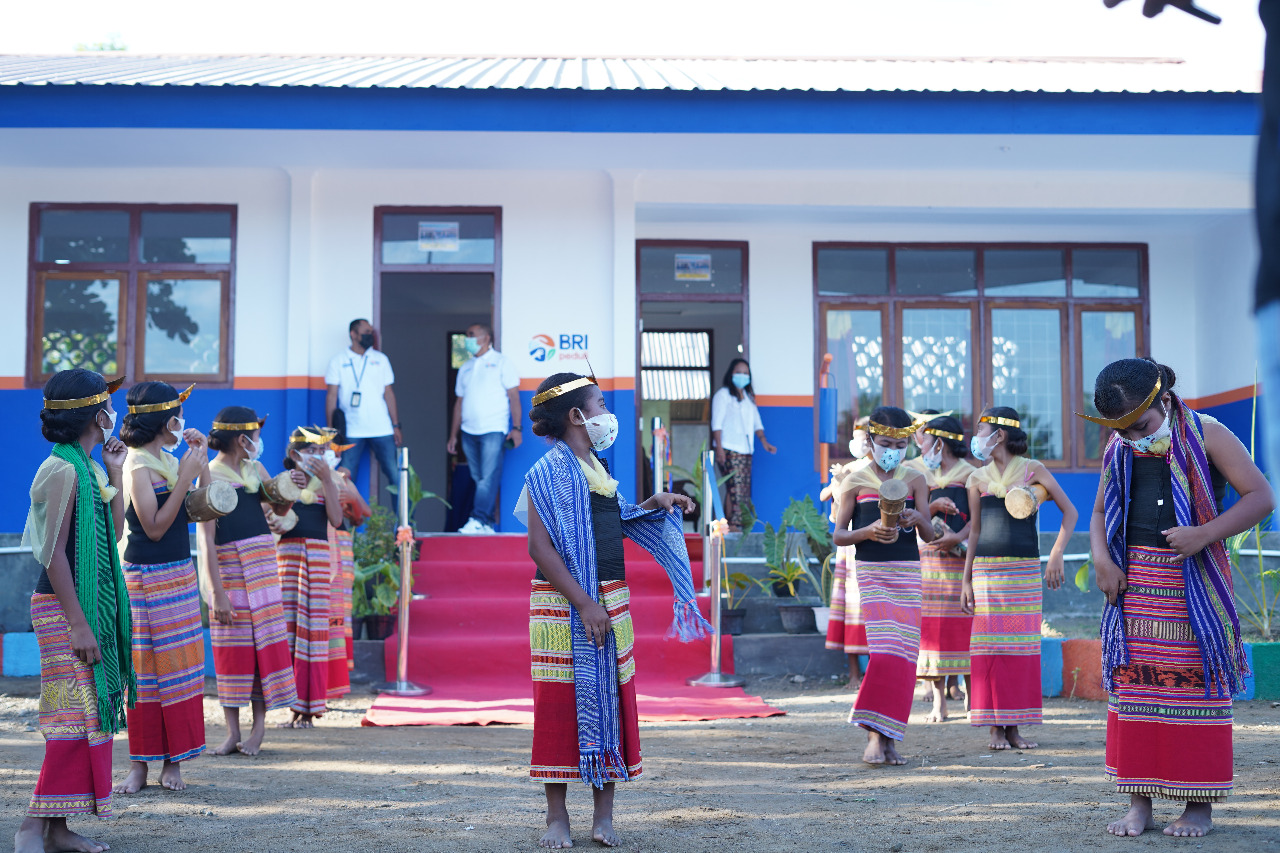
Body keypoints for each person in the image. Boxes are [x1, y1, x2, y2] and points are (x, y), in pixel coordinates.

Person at [516, 372, 710, 849]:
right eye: (601, 404)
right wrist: (584, 602)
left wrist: (653, 503)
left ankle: (604, 816)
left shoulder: (598, 468)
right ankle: (556, 816)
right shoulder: (545, 473)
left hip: (611, 599)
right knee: (558, 705)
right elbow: (540, 550)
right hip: (564, 605)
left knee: (613, 701)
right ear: (577, 416)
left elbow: (614, 521)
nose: (607, 413)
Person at [1085, 359, 1271, 839]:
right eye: (1122, 430)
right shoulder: (1119, 445)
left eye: (1139, 426)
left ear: (1163, 399)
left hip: (1195, 588)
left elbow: (1260, 496)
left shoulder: (1209, 434)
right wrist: (1103, 558)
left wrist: (1204, 534)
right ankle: (1138, 804)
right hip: (1134, 590)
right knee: (1136, 690)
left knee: (1195, 690)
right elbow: (1103, 508)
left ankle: (1197, 808)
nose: (1131, 437)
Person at [16, 369, 133, 853]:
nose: (114, 414)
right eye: (108, 405)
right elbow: (54, 553)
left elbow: (116, 530)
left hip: (85, 606)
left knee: (86, 721)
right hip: (65, 609)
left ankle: (59, 829)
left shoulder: (88, 467)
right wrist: (80, 623)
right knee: (70, 719)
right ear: (94, 414)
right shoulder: (62, 469)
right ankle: (29, 825)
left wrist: (118, 471)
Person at [961, 406, 1077, 750]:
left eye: (982, 431)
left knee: (1020, 649)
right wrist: (965, 580)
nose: (977, 438)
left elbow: (1070, 511)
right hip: (985, 571)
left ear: (1000, 435)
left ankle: (1013, 728)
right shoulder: (976, 478)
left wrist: (1055, 553)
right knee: (989, 649)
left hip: (1024, 571)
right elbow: (976, 530)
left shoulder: (1033, 470)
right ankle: (994, 728)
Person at [113, 382, 209, 795]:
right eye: (176, 416)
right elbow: (152, 528)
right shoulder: (138, 465)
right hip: (146, 578)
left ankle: (174, 761)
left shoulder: (168, 459)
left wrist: (199, 461)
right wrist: (186, 477)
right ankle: (139, 763)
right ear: (162, 420)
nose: (180, 423)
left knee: (179, 669)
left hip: (179, 574)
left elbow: (207, 503)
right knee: (144, 671)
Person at [832, 407, 935, 766]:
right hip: (873, 572)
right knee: (886, 651)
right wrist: (868, 531)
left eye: (900, 443)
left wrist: (920, 518)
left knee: (905, 658)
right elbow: (839, 535)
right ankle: (874, 736)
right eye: (886, 443)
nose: (893, 449)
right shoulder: (854, 479)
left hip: (907, 571)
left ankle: (889, 739)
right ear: (872, 442)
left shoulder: (916, 479)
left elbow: (931, 535)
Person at [199, 407, 299, 756]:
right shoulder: (209, 475)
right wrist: (216, 593)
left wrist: (290, 487)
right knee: (232, 651)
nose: (259, 441)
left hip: (262, 570)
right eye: (256, 435)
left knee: (263, 651)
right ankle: (231, 733)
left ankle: (258, 730)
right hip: (229, 572)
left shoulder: (255, 469)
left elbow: (279, 508)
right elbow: (206, 539)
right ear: (243, 439)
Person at [276, 426, 347, 728]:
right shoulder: (283, 480)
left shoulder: (330, 481)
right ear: (294, 455)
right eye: (311, 451)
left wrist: (328, 480)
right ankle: (292, 707)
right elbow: (277, 517)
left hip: (317, 558)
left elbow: (337, 519)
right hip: (288, 559)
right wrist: (289, 489)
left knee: (313, 633)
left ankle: (311, 707)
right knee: (289, 630)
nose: (318, 456)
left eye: (322, 451)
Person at [912, 414, 976, 722]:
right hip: (928, 561)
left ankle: (971, 697)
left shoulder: (970, 475)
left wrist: (958, 537)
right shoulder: (917, 473)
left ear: (939, 442)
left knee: (965, 625)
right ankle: (939, 702)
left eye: (924, 440)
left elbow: (978, 518)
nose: (920, 446)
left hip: (963, 561)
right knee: (932, 629)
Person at [447, 322, 521, 534]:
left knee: (487, 478)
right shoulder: (465, 367)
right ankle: (486, 524)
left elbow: (514, 396)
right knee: (479, 478)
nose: (467, 339)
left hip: (493, 428)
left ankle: (477, 518)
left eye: (471, 335)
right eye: (466, 335)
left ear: (486, 337)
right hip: (468, 431)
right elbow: (459, 403)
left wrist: (517, 428)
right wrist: (453, 434)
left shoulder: (501, 362)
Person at [325, 319, 402, 497]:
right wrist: (330, 432)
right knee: (344, 476)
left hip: (382, 427)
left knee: (395, 475)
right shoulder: (338, 360)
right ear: (353, 334)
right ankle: (342, 523)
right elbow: (331, 396)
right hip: (351, 428)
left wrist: (396, 425)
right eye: (366, 332)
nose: (371, 335)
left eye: (371, 332)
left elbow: (389, 393)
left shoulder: (381, 359)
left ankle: (404, 523)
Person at [821, 416, 872, 687]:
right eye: (855, 436)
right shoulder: (848, 469)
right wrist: (837, 485)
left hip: (872, 543)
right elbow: (828, 505)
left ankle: (875, 672)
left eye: (863, 436)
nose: (858, 441)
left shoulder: (881, 470)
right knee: (851, 608)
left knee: (873, 609)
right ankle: (853, 674)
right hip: (850, 544)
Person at [711, 358, 776, 532]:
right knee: (734, 488)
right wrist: (719, 449)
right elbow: (716, 423)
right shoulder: (723, 395)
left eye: (746, 373)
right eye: (739, 372)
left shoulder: (748, 398)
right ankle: (731, 525)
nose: (742, 376)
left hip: (746, 450)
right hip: (728, 448)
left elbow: (757, 424)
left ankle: (732, 524)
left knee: (740, 490)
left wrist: (765, 443)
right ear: (731, 374)